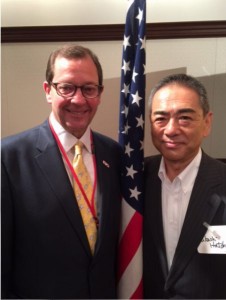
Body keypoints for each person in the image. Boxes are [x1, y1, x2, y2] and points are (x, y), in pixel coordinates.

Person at [1, 44, 123, 299]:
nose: (79, 100)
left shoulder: (114, 155)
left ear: (100, 93)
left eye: (89, 89)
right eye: (66, 88)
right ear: (48, 90)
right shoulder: (8, 158)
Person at [143, 73, 226, 299]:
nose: (171, 129)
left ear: (207, 122)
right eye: (160, 118)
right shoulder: (133, 181)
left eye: (185, 118)